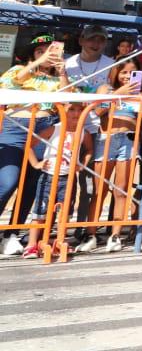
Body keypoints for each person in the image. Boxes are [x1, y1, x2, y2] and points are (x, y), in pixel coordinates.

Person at [0, 35, 67, 256]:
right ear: (32, 54)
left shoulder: (57, 79)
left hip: (43, 128)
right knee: (8, 181)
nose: (47, 55)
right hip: (15, 127)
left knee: (32, 185)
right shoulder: (19, 69)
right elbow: (13, 81)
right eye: (41, 51)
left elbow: (68, 100)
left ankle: (12, 234)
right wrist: (39, 62)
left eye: (51, 51)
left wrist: (63, 71)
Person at [63, 23, 114, 251]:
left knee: (89, 185)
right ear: (82, 40)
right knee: (64, 181)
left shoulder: (111, 64)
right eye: (92, 39)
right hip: (68, 129)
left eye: (101, 40)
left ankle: (83, 229)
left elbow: (108, 99)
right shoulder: (68, 63)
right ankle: (58, 228)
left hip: (95, 130)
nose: (96, 44)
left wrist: (95, 106)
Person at [23, 101, 92, 259]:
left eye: (80, 110)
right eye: (71, 109)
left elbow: (89, 149)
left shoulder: (84, 132)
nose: (76, 113)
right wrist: (36, 163)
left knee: (64, 213)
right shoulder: (54, 129)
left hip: (68, 178)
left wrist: (82, 164)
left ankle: (60, 240)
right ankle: (32, 244)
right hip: (48, 176)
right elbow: (29, 144)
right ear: (61, 110)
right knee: (40, 212)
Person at [91, 60, 142, 252]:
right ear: (116, 72)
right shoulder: (105, 88)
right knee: (99, 190)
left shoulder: (139, 92)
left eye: (133, 73)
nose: (128, 77)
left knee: (121, 191)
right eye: (124, 72)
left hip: (129, 140)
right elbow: (98, 110)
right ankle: (91, 233)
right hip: (106, 138)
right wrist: (117, 95)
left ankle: (115, 235)